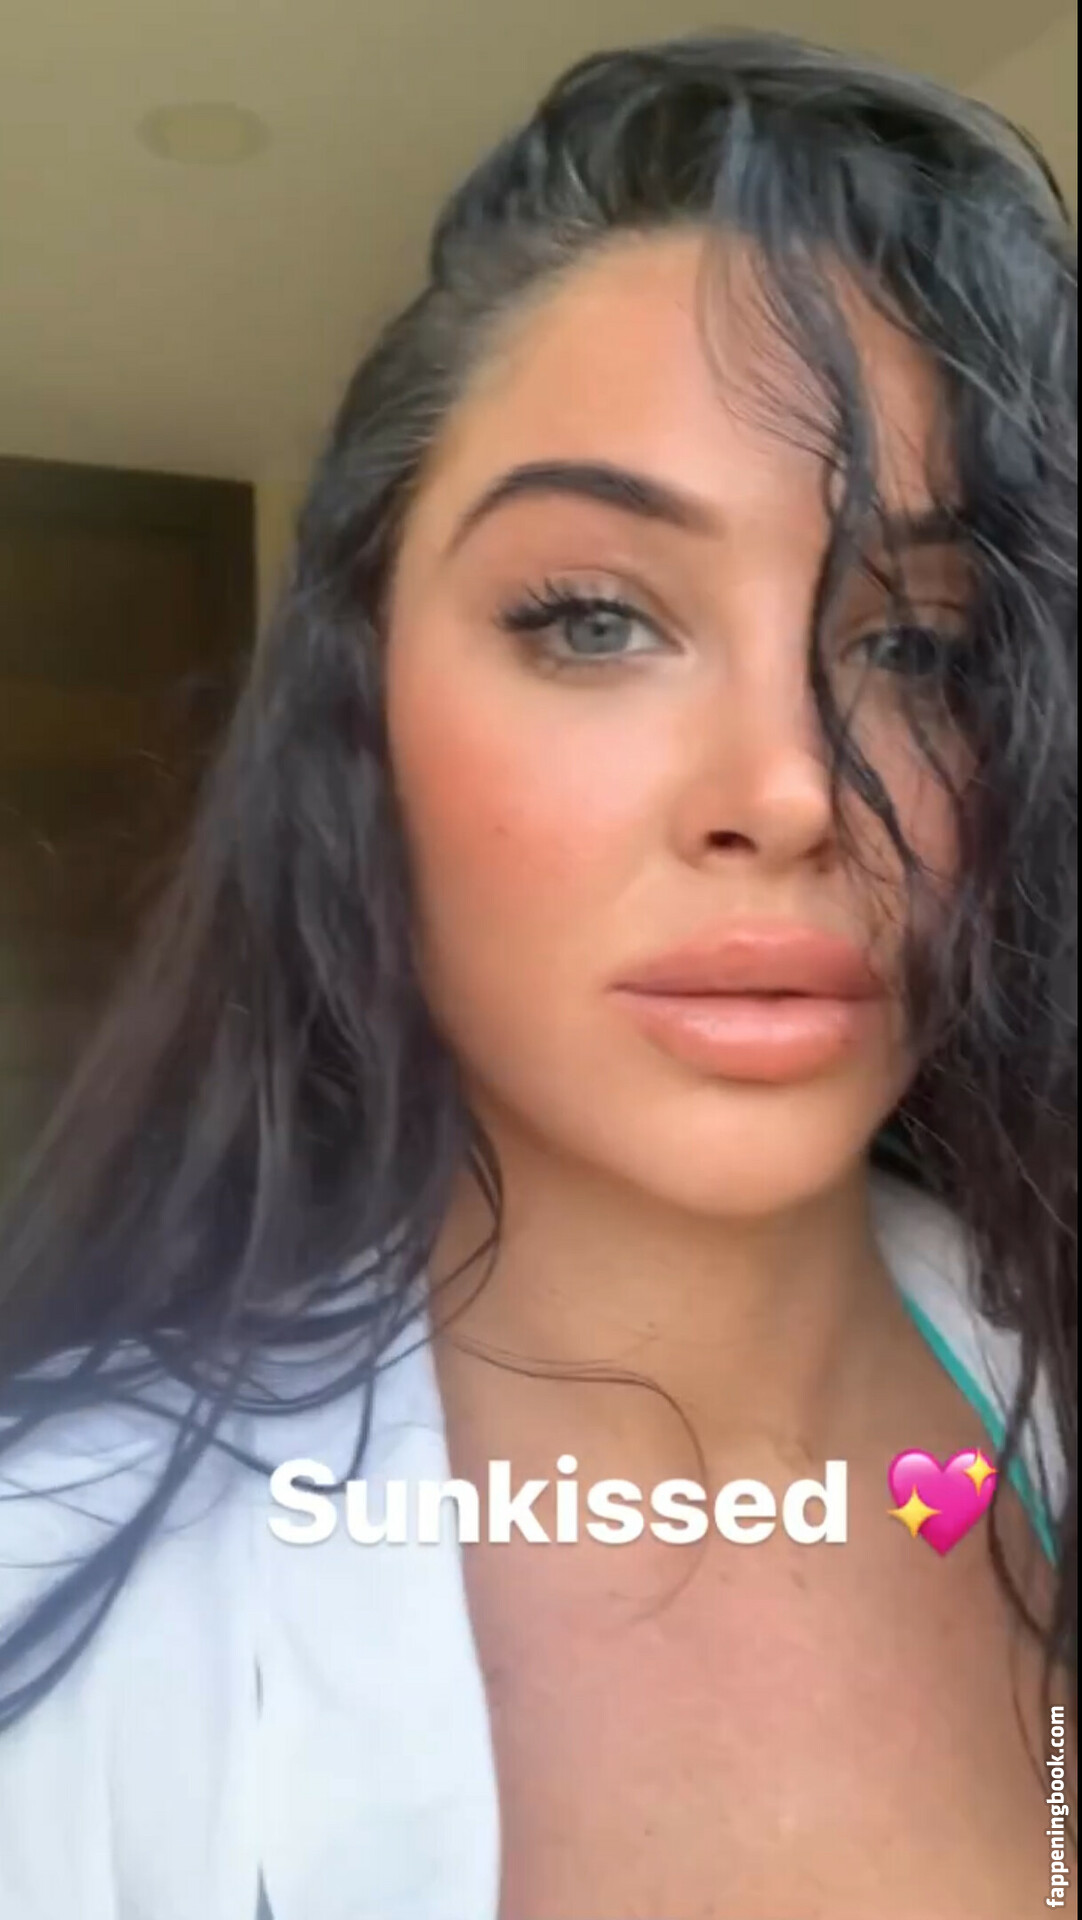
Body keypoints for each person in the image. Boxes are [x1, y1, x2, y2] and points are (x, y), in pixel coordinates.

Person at [0, 28, 1076, 1920]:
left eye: (917, 649)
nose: (789, 790)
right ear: (362, 720)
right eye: (593, 618)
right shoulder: (56, 1606)